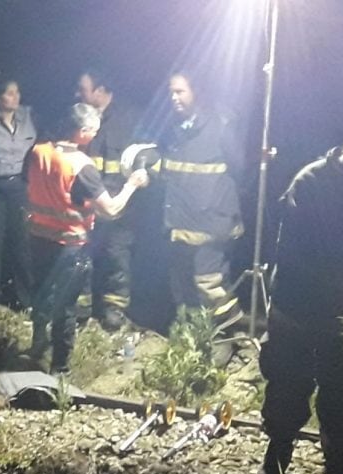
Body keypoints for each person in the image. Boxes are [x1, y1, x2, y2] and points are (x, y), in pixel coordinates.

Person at [257, 127, 343, 474]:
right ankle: (277, 458)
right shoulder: (310, 182)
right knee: (287, 382)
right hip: (297, 306)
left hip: (342, 312)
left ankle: (341, 461)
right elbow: (297, 252)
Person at [27, 103, 149, 374]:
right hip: (69, 246)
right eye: (93, 130)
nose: (95, 135)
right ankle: (60, 370)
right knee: (65, 309)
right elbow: (111, 210)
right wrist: (132, 185)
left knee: (42, 297)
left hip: (37, 240)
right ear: (82, 132)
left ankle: (35, 350)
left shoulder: (38, 152)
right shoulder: (81, 166)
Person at [159, 71, 244, 342]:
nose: (173, 98)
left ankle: (227, 336)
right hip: (180, 220)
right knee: (182, 283)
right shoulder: (173, 129)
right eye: (171, 92)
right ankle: (194, 337)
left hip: (212, 221)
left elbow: (240, 169)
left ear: (197, 92)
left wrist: (218, 206)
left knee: (209, 284)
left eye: (180, 92)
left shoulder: (221, 124)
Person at [76, 68, 144, 329]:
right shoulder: (79, 118)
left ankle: (114, 311)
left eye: (83, 89)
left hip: (119, 205)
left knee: (117, 258)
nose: (78, 94)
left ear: (101, 91)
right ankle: (81, 312)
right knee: (84, 258)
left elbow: (143, 159)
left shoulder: (130, 119)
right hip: (87, 204)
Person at [0, 75, 37, 309]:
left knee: (21, 241)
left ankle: (25, 298)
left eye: (17, 92)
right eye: (9, 93)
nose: (15, 97)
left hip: (19, 186)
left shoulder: (28, 117)